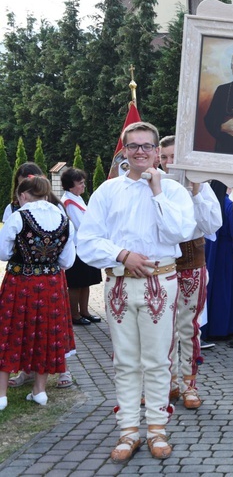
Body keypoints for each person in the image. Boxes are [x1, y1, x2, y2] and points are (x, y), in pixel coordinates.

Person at [77, 121, 197, 463]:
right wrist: (122, 254)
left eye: (147, 146)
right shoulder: (107, 191)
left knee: (158, 361)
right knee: (126, 361)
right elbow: (87, 240)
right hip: (118, 283)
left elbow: (180, 231)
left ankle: (157, 429)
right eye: (134, 146)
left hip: (160, 282)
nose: (141, 152)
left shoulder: (173, 190)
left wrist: (157, 189)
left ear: (158, 151)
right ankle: (128, 430)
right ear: (124, 151)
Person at [0, 175, 76, 410]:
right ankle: (39, 391)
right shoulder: (65, 219)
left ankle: (1, 395)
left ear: (23, 195)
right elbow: (68, 261)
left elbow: (3, 252)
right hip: (52, 284)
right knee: (46, 331)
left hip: (20, 281)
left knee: (8, 331)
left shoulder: (18, 217)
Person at [159, 136, 222, 409]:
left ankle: (189, 384)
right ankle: (168, 383)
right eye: (164, 157)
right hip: (161, 264)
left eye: (174, 156)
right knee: (162, 329)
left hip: (191, 263)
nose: (169, 162)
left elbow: (212, 227)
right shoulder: (153, 184)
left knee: (188, 328)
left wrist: (196, 192)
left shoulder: (202, 186)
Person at [202, 181, 233, 339]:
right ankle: (227, 327)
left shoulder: (210, 205)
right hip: (228, 254)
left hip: (211, 251)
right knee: (228, 289)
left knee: (212, 288)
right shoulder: (231, 206)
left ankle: (210, 326)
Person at [61, 167, 103, 327]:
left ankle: (84, 311)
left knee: (86, 282)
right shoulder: (69, 202)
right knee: (76, 283)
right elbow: (81, 224)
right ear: (71, 186)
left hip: (86, 247)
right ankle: (74, 314)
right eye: (80, 183)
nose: (84, 185)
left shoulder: (77, 198)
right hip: (77, 248)